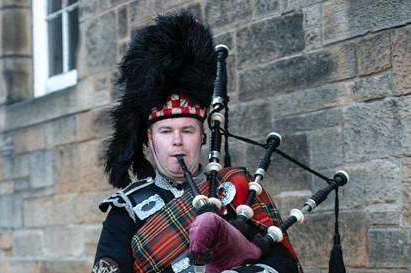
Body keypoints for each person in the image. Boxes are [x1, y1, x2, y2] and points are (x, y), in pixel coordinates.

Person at [92, 10, 302, 273]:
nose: (177, 141)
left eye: (188, 131)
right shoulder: (127, 209)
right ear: (150, 138)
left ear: (202, 137)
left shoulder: (239, 189)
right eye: (166, 131)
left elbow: (284, 264)